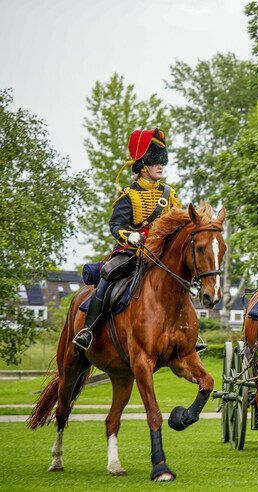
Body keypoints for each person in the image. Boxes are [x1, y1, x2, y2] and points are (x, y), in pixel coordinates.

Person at [73, 128, 182, 351]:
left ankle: (186, 331)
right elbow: (115, 226)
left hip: (160, 252)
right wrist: (130, 236)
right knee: (108, 275)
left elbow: (180, 222)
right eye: (155, 161)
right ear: (143, 165)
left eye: (162, 161)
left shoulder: (169, 194)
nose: (161, 166)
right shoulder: (129, 195)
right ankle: (88, 330)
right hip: (130, 250)